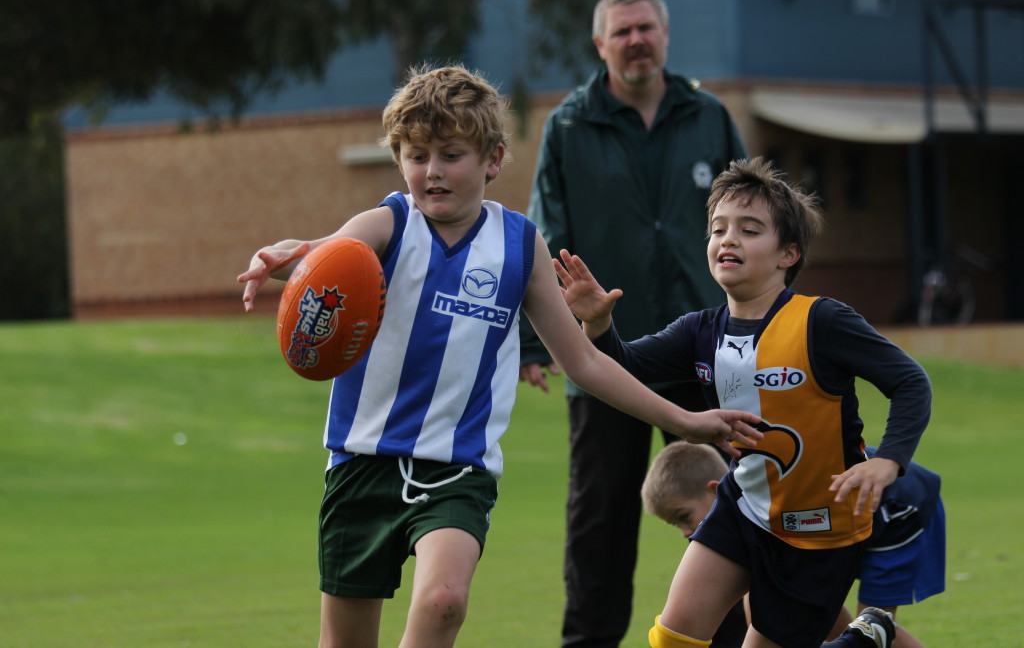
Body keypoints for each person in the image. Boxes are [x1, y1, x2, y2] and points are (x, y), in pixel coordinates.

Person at [236, 65, 763, 648]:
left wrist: (685, 419)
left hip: (458, 470)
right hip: (362, 464)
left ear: (492, 158)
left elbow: (585, 365)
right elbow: (338, 251)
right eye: (416, 155)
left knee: (442, 602)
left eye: (451, 154)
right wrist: (305, 251)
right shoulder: (390, 221)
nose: (431, 171)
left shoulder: (518, 245)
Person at [553, 156, 932, 648]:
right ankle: (872, 632)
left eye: (749, 230)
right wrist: (598, 327)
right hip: (743, 506)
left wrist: (888, 461)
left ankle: (873, 633)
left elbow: (911, 383)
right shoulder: (698, 331)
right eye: (718, 229)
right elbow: (622, 367)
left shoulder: (823, 321)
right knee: (671, 636)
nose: (728, 239)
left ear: (788, 254)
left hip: (818, 526)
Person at [517, 0, 747, 647]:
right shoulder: (569, 125)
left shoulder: (709, 116)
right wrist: (540, 345)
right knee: (601, 517)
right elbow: (542, 239)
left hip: (709, 346)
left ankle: (735, 640)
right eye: (622, 32)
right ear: (600, 43)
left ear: (665, 35)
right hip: (603, 352)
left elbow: (753, 217)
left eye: (645, 28)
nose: (636, 40)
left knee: (728, 506)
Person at [641, 443, 945, 648]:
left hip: (899, 508)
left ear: (714, 490)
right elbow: (766, 616)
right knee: (848, 626)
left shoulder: (766, 500)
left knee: (873, 627)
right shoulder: (752, 519)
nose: (684, 532)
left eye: (683, 517)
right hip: (844, 522)